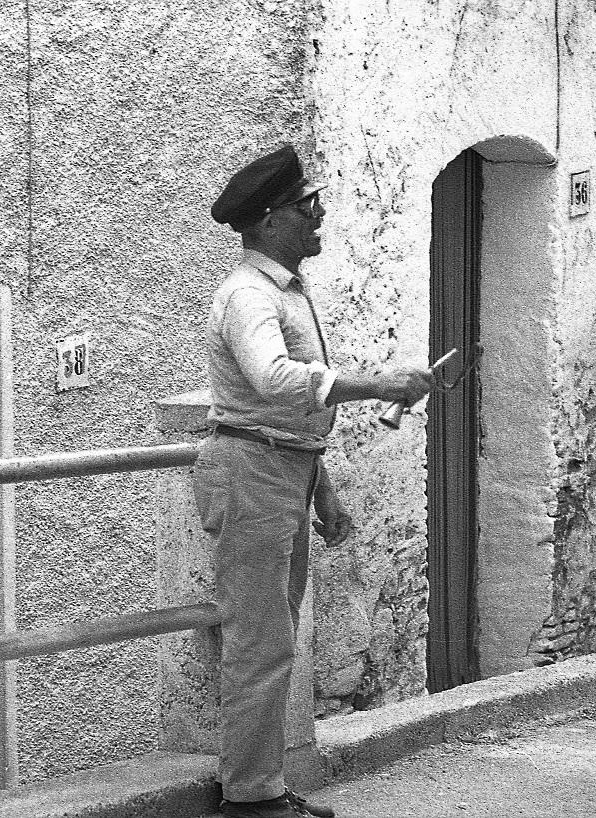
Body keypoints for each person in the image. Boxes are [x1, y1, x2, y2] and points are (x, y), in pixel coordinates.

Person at [195, 145, 433, 818]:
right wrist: (378, 383)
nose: (319, 214)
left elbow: (280, 414)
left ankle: (261, 786)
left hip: (277, 469)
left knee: (273, 638)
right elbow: (273, 381)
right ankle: (250, 800)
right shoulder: (249, 295)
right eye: (307, 207)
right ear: (271, 221)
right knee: (260, 642)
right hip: (252, 476)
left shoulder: (281, 291)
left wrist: (319, 487)